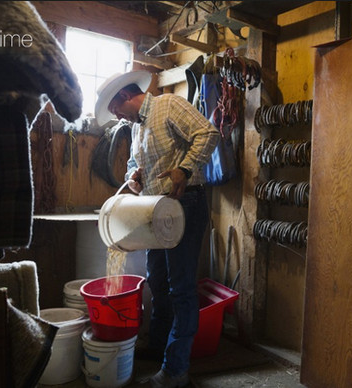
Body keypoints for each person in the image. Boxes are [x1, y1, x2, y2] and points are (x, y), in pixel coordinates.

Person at [95, 70, 219, 388]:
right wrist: (134, 176)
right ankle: (160, 347)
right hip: (154, 213)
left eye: (116, 109)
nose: (117, 116)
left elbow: (208, 133)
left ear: (124, 97)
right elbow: (135, 165)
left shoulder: (168, 105)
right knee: (158, 283)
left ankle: (176, 370)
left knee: (180, 290)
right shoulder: (136, 129)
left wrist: (184, 168)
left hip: (184, 207)